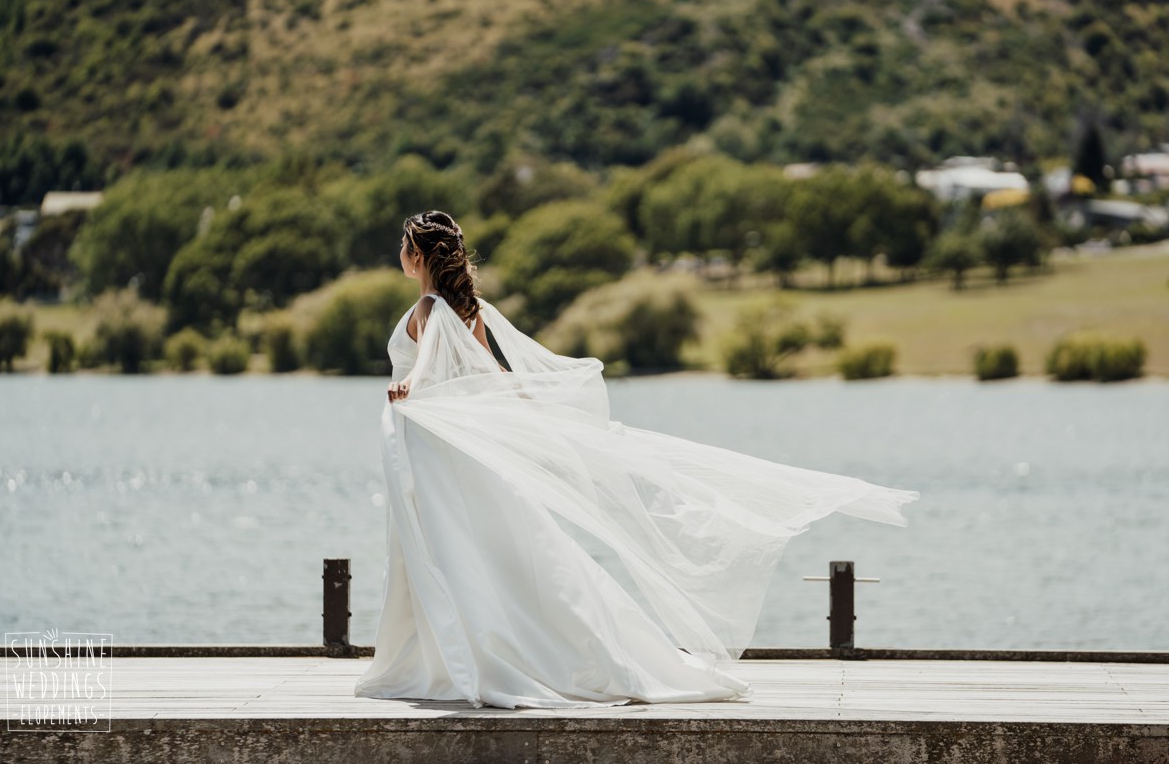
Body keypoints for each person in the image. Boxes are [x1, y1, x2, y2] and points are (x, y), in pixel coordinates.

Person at [354, 209, 919, 709]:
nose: (399, 257)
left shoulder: (429, 307)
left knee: (446, 548)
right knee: (490, 547)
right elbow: (493, 374)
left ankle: (457, 657)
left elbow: (428, 360)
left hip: (434, 443)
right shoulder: (470, 310)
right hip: (454, 447)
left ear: (417, 255)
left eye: (403, 248)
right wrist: (531, 404)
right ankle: (482, 650)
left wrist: (413, 388)